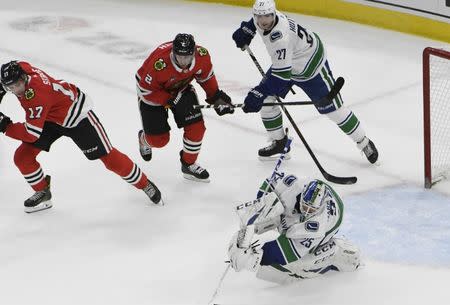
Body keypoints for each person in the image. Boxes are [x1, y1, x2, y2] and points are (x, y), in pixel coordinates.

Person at [0, 61, 161, 213]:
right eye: (11, 87)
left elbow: (31, 133)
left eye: (18, 85)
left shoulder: (36, 94)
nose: (16, 89)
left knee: (108, 157)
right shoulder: (22, 68)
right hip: (49, 117)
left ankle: (144, 183)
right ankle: (43, 192)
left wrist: (5, 125)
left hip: (76, 116)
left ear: (24, 78)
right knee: (22, 157)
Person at [232, 0, 378, 163]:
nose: (264, 21)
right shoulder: (265, 19)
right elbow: (256, 22)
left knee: (333, 110)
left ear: (273, 14)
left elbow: (281, 78)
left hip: (310, 65)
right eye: (260, 16)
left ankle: (363, 142)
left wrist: (258, 92)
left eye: (267, 16)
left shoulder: (280, 37)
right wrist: (248, 30)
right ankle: (280, 143)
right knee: (266, 100)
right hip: (287, 62)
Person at [136, 33, 234, 183]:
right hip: (153, 93)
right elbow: (145, 91)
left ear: (193, 53)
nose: (183, 61)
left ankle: (188, 164)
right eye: (179, 57)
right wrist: (169, 100)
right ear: (173, 53)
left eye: (187, 57)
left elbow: (206, 78)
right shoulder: (159, 63)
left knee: (197, 128)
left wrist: (216, 97)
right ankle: (144, 139)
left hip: (181, 88)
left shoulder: (202, 55)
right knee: (159, 141)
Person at [227, 173, 360, 284]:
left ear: (318, 207)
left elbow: (288, 251)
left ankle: (331, 254)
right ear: (302, 195)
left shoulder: (317, 224)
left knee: (301, 266)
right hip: (318, 204)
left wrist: (254, 258)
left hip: (330, 226)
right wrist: (260, 208)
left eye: (311, 209)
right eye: (305, 206)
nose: (306, 211)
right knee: (276, 210)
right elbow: (272, 181)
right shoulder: (296, 186)